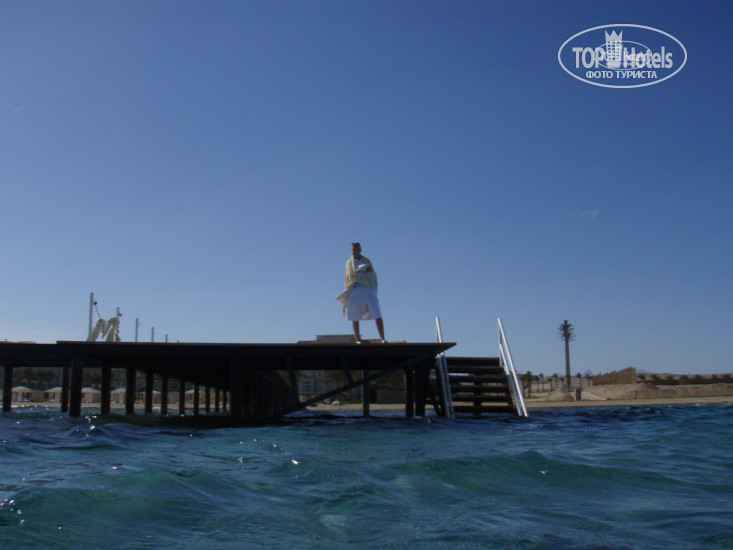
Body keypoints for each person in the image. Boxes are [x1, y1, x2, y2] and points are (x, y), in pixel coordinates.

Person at [343, 242, 386, 343]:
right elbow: (350, 277)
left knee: (376, 311)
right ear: (351, 251)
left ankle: (382, 338)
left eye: (357, 249)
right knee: (354, 313)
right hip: (356, 289)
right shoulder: (349, 263)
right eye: (354, 250)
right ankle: (358, 338)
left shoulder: (366, 261)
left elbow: (373, 275)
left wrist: (363, 274)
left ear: (360, 250)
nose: (355, 251)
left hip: (368, 288)